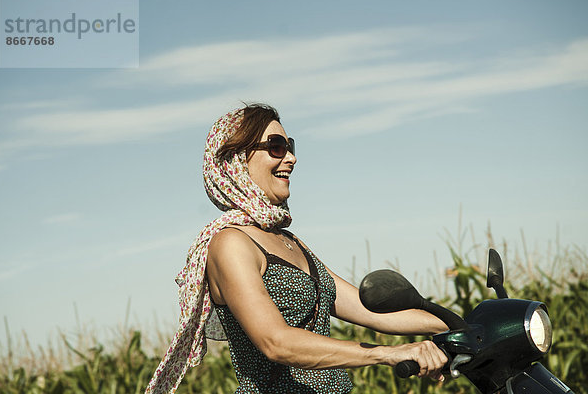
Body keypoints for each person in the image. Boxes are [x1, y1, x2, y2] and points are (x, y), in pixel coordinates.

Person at [146, 103, 448, 394]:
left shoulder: (290, 242)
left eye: (290, 146)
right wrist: (388, 354)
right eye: (276, 147)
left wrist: (462, 326)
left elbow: (370, 311)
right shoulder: (231, 244)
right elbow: (276, 342)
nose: (290, 157)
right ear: (237, 160)